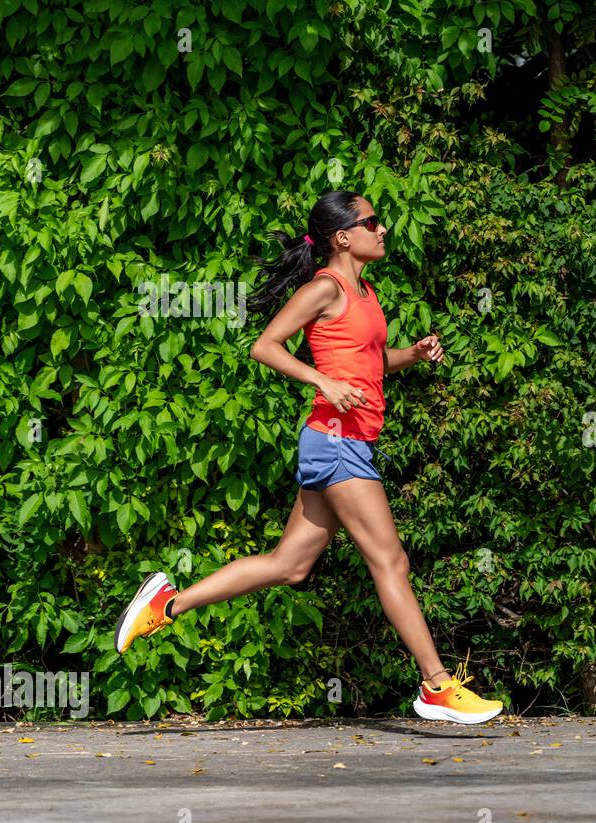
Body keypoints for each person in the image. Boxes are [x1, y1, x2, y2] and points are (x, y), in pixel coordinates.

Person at [113, 189, 502, 725]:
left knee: (289, 566)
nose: (383, 230)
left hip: (344, 442)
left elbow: (368, 363)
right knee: (391, 561)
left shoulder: (364, 292)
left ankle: (167, 604)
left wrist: (411, 355)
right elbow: (265, 346)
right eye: (373, 222)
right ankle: (436, 686)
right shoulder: (324, 288)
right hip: (337, 444)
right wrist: (323, 381)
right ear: (343, 237)